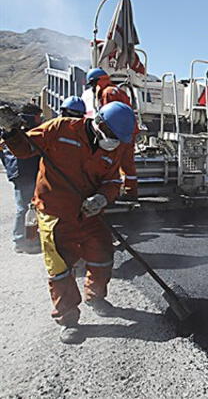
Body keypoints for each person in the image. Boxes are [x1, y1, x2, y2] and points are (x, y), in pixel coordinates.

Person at [0, 102, 136, 344]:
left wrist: (103, 197)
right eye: (112, 136)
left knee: (103, 255)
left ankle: (96, 297)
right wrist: (11, 131)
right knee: (61, 268)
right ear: (100, 124)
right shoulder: (62, 129)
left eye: (119, 139)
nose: (114, 142)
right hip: (56, 212)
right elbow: (24, 149)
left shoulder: (113, 148)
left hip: (90, 213)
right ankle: (69, 319)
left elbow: (113, 180)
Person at [86, 68, 138, 200]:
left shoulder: (107, 93)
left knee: (113, 163)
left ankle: (112, 193)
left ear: (97, 81)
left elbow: (109, 115)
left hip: (117, 132)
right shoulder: (117, 90)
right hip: (128, 130)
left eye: (92, 84)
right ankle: (130, 192)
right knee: (127, 163)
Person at [0, 104, 42, 253]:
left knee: (27, 206)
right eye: (38, 116)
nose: (40, 119)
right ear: (31, 117)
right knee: (24, 207)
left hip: (20, 172)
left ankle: (28, 238)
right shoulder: (25, 131)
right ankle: (20, 240)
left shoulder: (13, 130)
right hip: (24, 172)